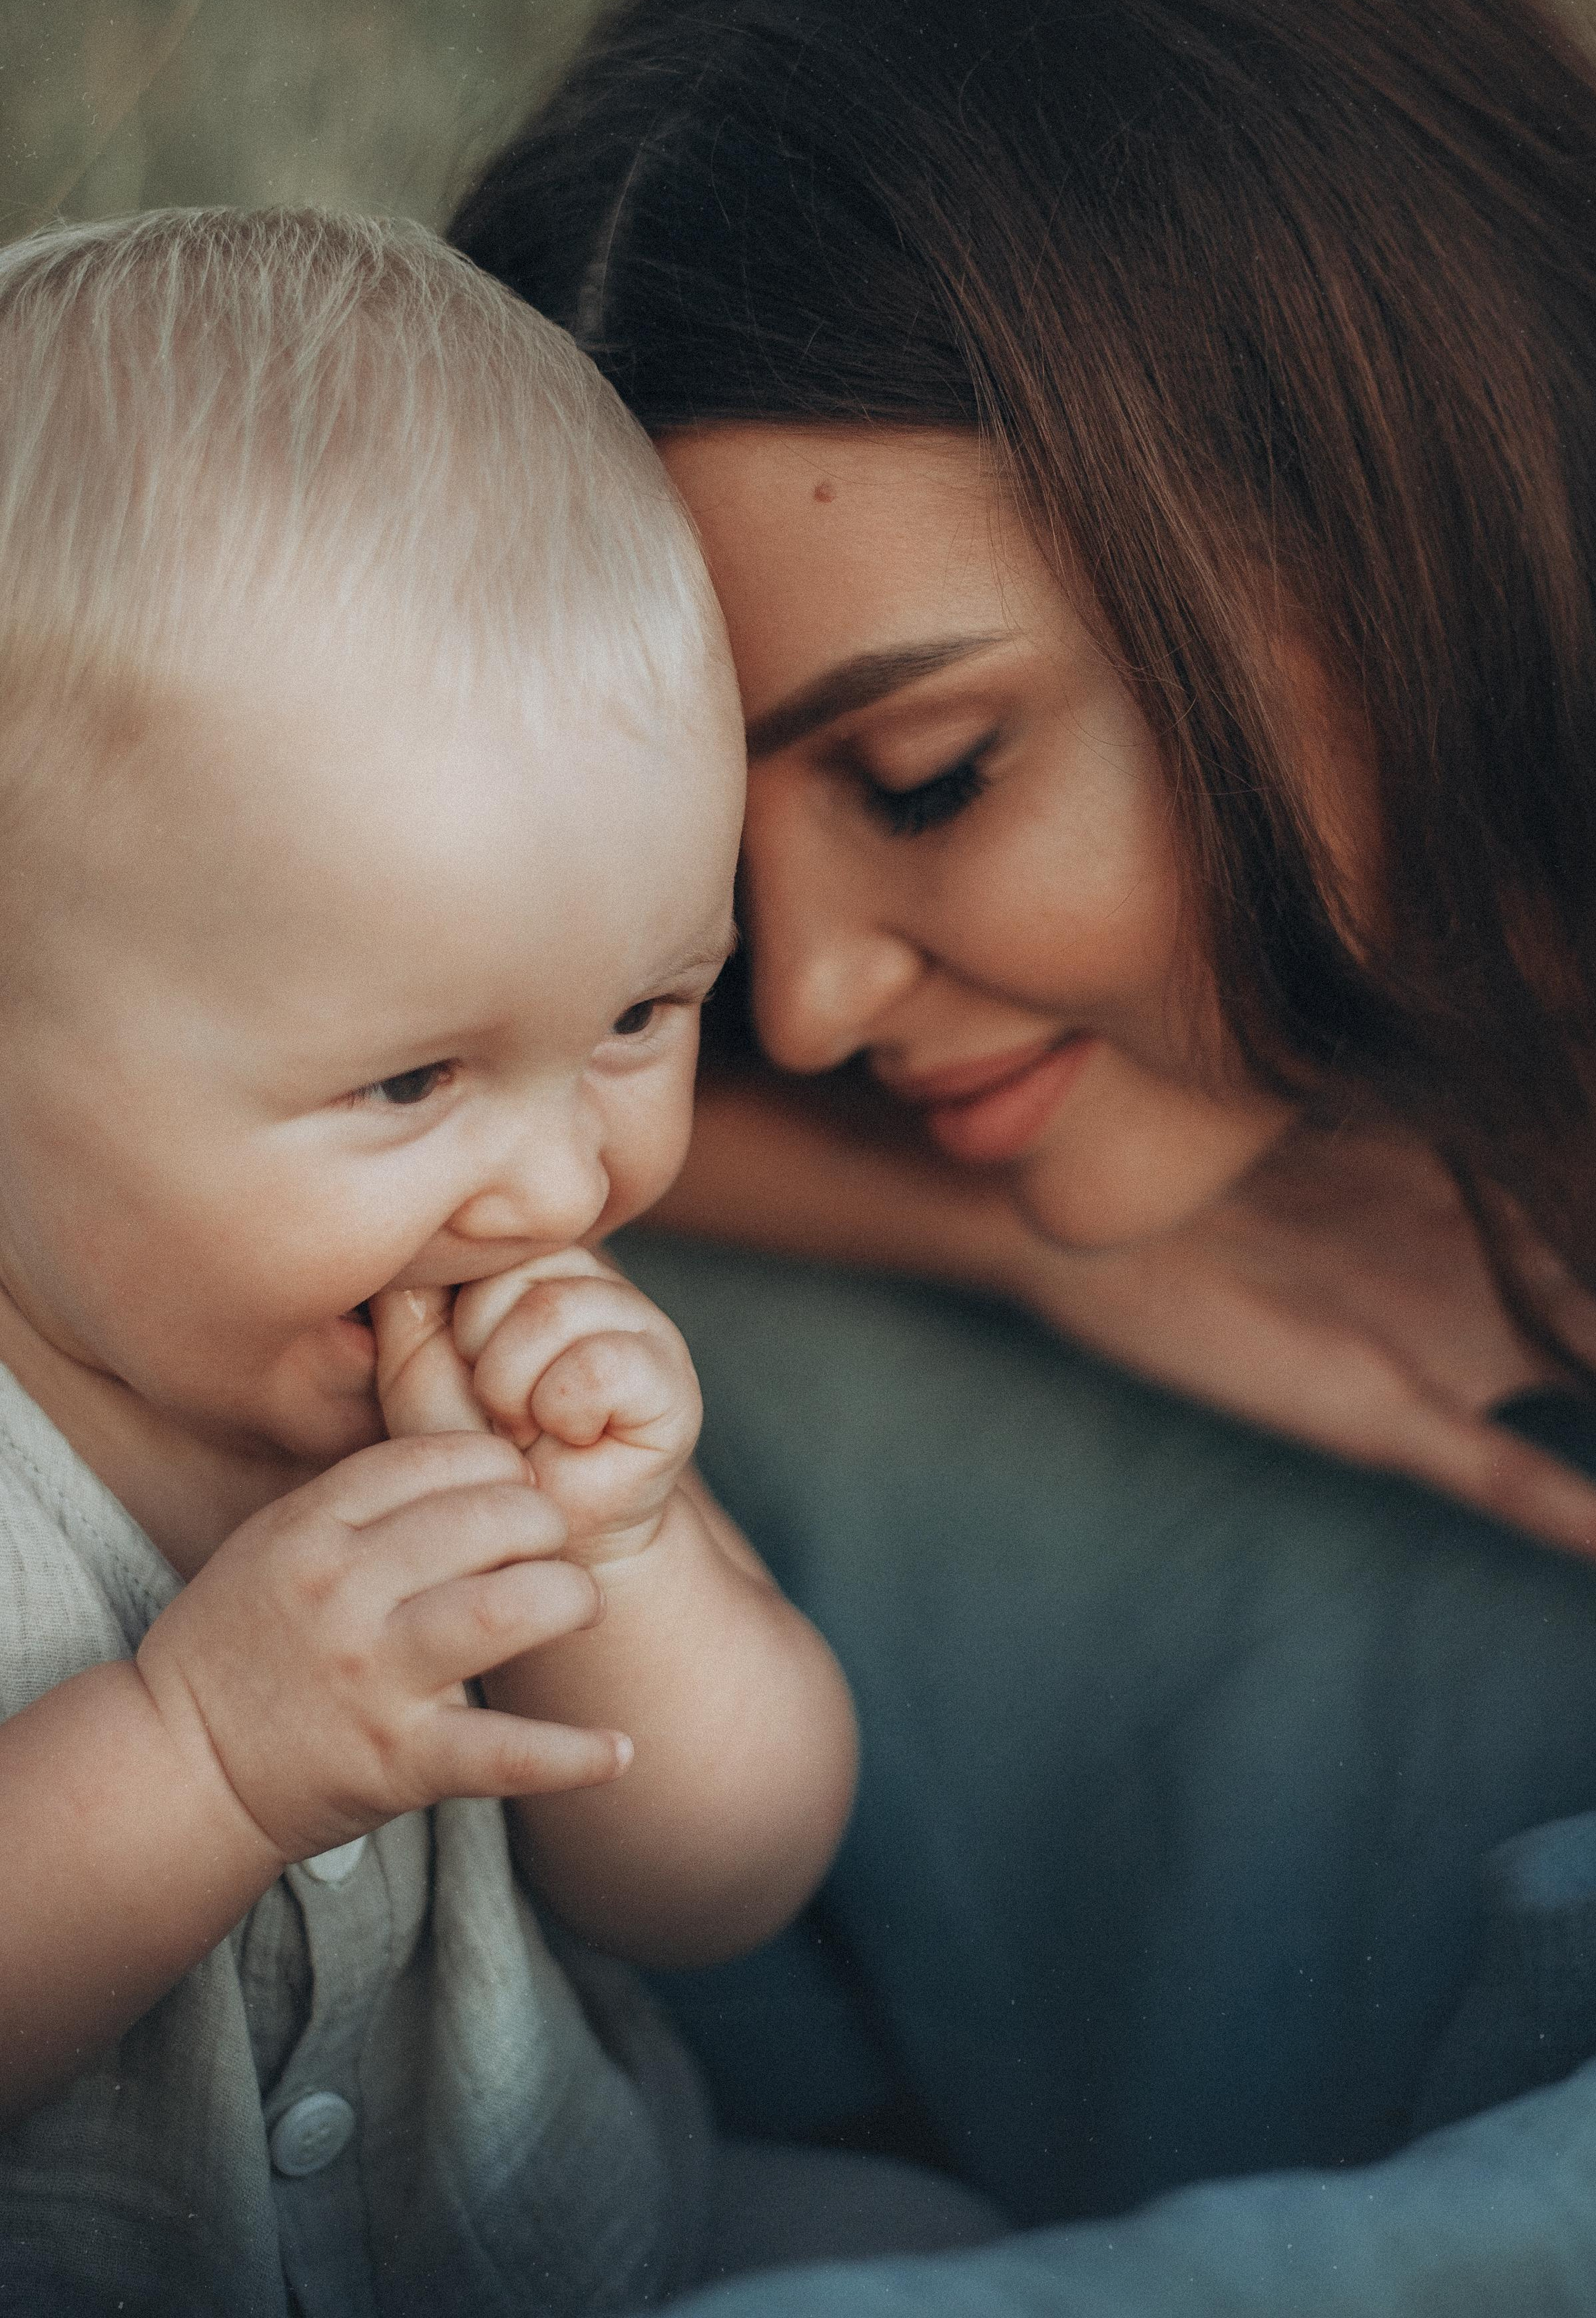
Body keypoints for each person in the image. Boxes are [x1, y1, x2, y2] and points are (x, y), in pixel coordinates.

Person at [449, 0, 1596, 2312]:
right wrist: (1010, 1244)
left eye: (931, 774)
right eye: (710, 866)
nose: (806, 995)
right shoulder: (692, 1351)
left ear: (1404, 510)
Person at [0, 207, 1002, 2317]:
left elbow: (725, 1882)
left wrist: (623, 1567)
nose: (562, 1185)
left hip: (568, 2237)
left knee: (955, 2259)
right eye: (410, 1079)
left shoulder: (491, 1368)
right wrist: (197, 1760)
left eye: (647, 1015)